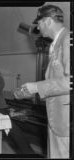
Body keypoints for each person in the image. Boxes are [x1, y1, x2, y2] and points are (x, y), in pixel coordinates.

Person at [14, 5, 70, 158]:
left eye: (39, 22)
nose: (37, 26)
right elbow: (55, 85)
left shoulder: (68, 40)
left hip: (65, 122)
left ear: (48, 21)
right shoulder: (55, 44)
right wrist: (32, 93)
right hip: (56, 118)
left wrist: (37, 86)